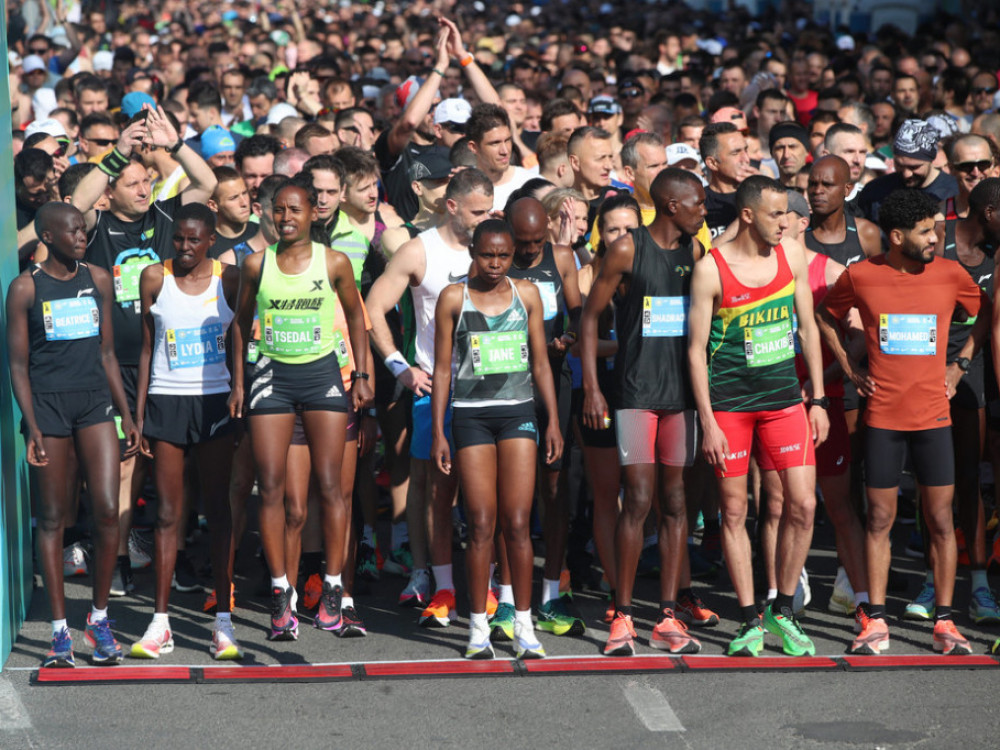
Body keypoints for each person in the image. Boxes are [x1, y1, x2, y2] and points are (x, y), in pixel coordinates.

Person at [816, 188, 982, 656]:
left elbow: (987, 312)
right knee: (881, 520)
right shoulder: (862, 275)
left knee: (941, 520)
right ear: (896, 236)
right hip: (884, 416)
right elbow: (825, 315)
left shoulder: (951, 274)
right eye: (927, 231)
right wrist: (851, 371)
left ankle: (946, 622)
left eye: (937, 229)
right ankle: (876, 619)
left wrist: (961, 364)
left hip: (933, 416)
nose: (936, 238)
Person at [688, 176, 830, 657]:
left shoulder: (791, 255)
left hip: (785, 402)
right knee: (733, 511)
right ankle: (749, 620)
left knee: (803, 505)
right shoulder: (711, 269)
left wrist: (821, 399)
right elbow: (694, 351)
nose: (784, 222)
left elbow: (808, 329)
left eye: (787, 214)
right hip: (730, 408)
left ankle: (782, 608)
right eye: (775, 214)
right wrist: (707, 420)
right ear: (748, 214)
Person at [231, 178, 373, 640]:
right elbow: (239, 323)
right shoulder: (256, 264)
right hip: (271, 380)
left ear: (313, 212)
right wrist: (238, 383)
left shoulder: (334, 262)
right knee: (270, 487)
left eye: (295, 209)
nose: (286, 217)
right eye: (278, 210)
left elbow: (356, 317)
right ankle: (280, 591)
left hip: (322, 378)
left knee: (331, 486)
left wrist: (363, 375)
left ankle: (333, 587)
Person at [582, 168, 711, 656]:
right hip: (635, 393)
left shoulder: (695, 252)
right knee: (636, 498)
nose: (704, 209)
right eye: (698, 202)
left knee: (675, 502)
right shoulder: (627, 249)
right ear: (673, 206)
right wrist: (594, 389)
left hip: (681, 397)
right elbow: (591, 318)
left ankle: (668, 615)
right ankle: (624, 613)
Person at [6, 202, 139, 666]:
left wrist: (128, 415)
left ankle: (98, 619)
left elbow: (107, 355)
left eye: (84, 229)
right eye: (74, 230)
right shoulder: (25, 288)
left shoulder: (98, 279)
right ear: (47, 234)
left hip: (94, 404)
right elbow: (18, 366)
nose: (82, 236)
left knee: (105, 510)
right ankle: (60, 633)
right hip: (48, 408)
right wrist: (32, 428)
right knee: (52, 518)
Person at [366, 168, 494, 622]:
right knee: (429, 485)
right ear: (452, 206)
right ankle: (424, 573)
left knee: (486, 488)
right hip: (436, 386)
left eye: (490, 210)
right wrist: (399, 367)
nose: (486, 219)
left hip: (491, 384)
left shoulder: (495, 246)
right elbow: (372, 308)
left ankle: (491, 583)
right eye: (477, 212)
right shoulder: (419, 250)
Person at [431, 219, 562, 659]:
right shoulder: (455, 298)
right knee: (482, 523)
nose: (495, 263)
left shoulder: (527, 295)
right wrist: (439, 431)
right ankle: (478, 627)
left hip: (518, 414)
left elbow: (541, 363)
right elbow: (444, 370)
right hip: (471, 417)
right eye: (487, 255)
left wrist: (554, 422)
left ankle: (523, 623)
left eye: (503, 256)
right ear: (473, 251)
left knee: (519, 522)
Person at [131, 204, 242, 660]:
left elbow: (241, 341)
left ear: (210, 240)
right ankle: (160, 624)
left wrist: (239, 388)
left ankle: (223, 622)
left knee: (218, 510)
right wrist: (137, 418)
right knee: (167, 514)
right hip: (166, 401)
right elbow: (145, 348)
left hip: (215, 401)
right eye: (178, 239)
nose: (184, 247)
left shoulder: (228, 280)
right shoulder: (154, 278)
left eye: (194, 239)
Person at [904, 178, 1000, 626]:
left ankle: (979, 587)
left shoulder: (995, 255)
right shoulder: (935, 241)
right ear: (988, 212)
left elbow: (986, 315)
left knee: (968, 479)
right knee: (931, 482)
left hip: (969, 374)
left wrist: (960, 364)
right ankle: (930, 580)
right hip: (921, 373)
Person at [505, 197, 583, 639]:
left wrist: (569, 336)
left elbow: (579, 310)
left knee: (555, 486)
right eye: (523, 243)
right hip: (507, 384)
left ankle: (552, 588)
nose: (531, 250)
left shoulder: (562, 257)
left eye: (537, 242)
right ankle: (506, 595)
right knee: (509, 495)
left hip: (553, 380)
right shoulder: (495, 258)